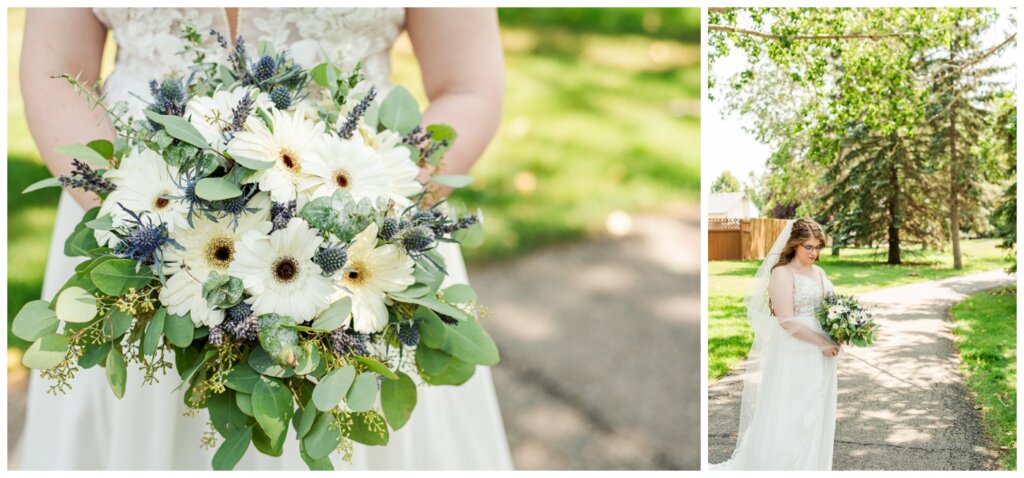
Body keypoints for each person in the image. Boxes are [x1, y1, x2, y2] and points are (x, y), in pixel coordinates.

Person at [16, 7, 512, 470]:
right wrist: (141, 223)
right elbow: (55, 69)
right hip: (134, 229)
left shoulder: (367, 231)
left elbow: (468, 86)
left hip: (365, 245)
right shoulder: (132, 226)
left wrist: (369, 227)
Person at [711, 218, 840, 470]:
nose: (814, 253)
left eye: (818, 247)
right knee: (793, 411)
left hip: (823, 353)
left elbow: (831, 308)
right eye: (809, 247)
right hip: (796, 350)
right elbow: (786, 320)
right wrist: (821, 341)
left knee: (817, 409)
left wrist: (841, 328)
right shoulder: (782, 273)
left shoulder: (820, 273)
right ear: (794, 245)